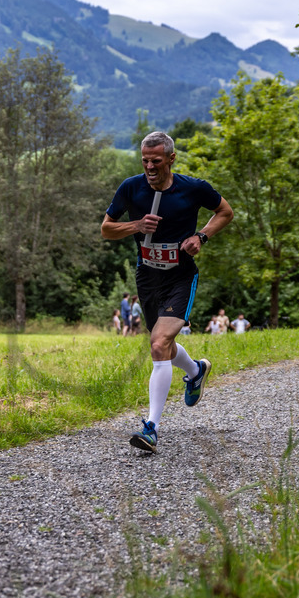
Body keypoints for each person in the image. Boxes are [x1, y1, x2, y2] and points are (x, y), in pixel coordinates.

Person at [101, 131, 234, 453]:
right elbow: (106, 229)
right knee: (163, 345)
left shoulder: (193, 188)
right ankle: (196, 369)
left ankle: (151, 428)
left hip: (180, 276)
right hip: (147, 276)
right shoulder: (130, 187)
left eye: (156, 161)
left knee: (159, 343)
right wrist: (136, 226)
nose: (149, 166)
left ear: (171, 159)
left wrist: (201, 237)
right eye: (145, 160)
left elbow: (225, 212)